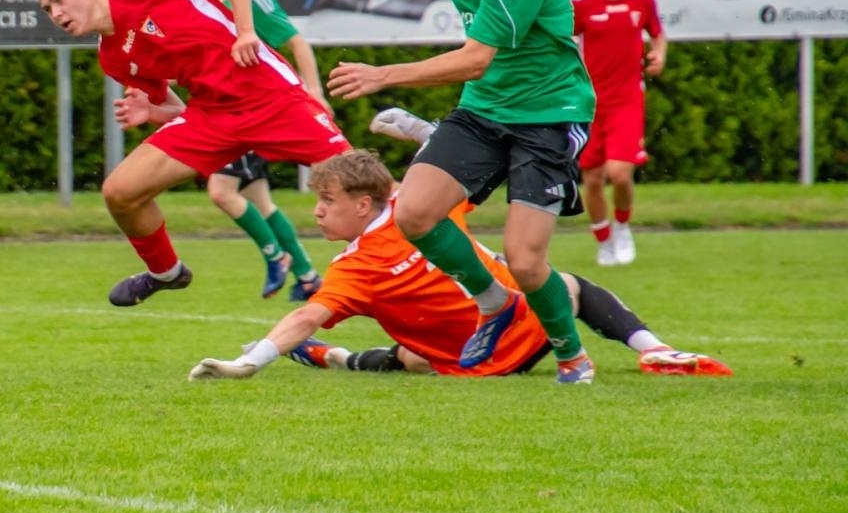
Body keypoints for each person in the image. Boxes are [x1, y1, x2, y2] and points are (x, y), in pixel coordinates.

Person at [325, 0, 599, 384]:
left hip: (548, 115)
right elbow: (482, 63)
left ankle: (572, 356)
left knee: (525, 259)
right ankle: (492, 303)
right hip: (485, 108)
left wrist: (383, 74)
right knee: (414, 213)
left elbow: (477, 57)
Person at [187, 140, 731, 380]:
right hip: (495, 346)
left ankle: (654, 349)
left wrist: (248, 363)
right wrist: (252, 361)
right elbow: (305, 313)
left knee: (415, 355)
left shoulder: (409, 215)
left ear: (362, 203)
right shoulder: (363, 257)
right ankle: (650, 345)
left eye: (327, 203)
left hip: (489, 351)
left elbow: (465, 163)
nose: (320, 215)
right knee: (557, 287)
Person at [29, 0, 351, 307]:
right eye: (47, 9)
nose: (55, 14)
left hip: (272, 96)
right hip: (212, 115)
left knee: (360, 188)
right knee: (120, 192)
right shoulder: (112, 58)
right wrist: (154, 113)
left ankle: (410, 264)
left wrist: (246, 31)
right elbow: (177, 109)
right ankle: (167, 272)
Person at [197, 0, 327, 301]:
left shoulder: (252, 0)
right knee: (260, 200)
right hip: (225, 112)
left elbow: (295, 41)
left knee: (221, 192)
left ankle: (276, 257)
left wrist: (313, 91)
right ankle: (307, 276)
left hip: (254, 111)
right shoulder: (197, 1)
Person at [572, 0, 667, 267]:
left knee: (620, 173)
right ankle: (603, 240)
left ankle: (623, 226)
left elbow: (657, 34)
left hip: (627, 100)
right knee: (593, 179)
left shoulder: (642, 1)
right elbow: (564, 43)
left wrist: (659, 55)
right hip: (590, 104)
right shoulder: (582, 4)